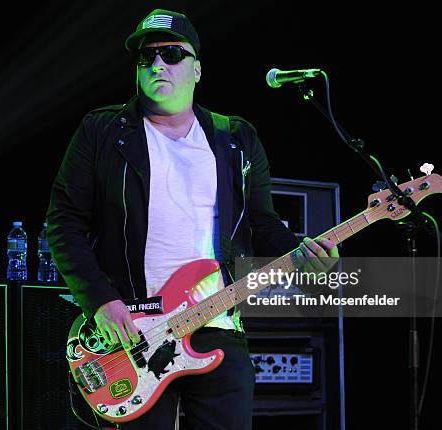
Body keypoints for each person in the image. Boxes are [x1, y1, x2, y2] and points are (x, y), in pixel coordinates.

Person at [47, 9, 338, 430]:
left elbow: (263, 225)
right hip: (133, 332)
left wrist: (310, 258)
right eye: (146, 58)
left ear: (198, 69)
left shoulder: (235, 138)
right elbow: (64, 222)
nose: (157, 64)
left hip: (218, 323)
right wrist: (100, 301)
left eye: (171, 54)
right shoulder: (103, 131)